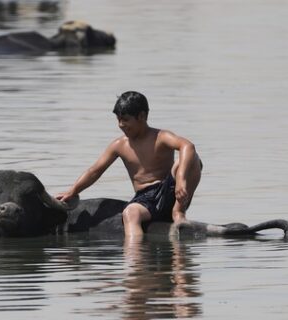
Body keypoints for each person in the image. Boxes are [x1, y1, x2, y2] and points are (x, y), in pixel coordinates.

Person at [57, 91, 202, 238]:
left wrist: (181, 180)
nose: (121, 125)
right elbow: (95, 170)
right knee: (130, 213)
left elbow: (187, 146)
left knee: (193, 159)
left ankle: (178, 212)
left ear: (142, 116)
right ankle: (137, 256)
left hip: (171, 192)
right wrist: (73, 191)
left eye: (125, 120)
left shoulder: (161, 137)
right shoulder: (119, 145)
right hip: (144, 199)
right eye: (118, 120)